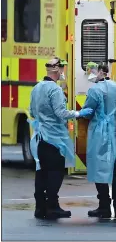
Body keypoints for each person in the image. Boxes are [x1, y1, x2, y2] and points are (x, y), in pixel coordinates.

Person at [29, 57, 93, 219]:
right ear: (57, 70)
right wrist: (79, 113)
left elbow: (31, 111)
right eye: (63, 68)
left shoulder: (37, 88)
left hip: (40, 138)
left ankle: (40, 208)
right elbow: (61, 113)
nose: (64, 71)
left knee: (42, 173)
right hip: (54, 139)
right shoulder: (55, 90)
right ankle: (52, 207)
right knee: (55, 173)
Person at [83, 63, 116, 218]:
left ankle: (104, 206)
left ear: (101, 72)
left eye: (93, 72)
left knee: (99, 168)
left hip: (100, 134)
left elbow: (87, 112)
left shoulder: (95, 90)